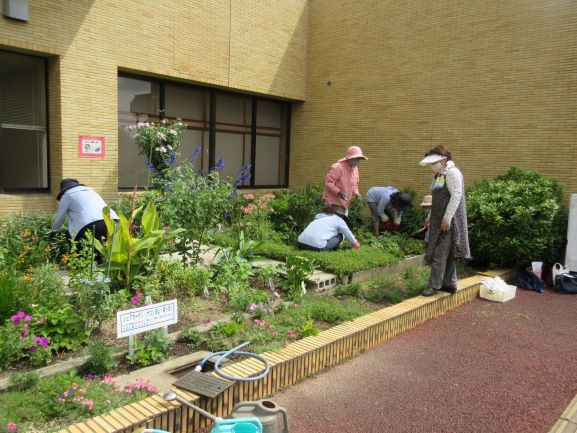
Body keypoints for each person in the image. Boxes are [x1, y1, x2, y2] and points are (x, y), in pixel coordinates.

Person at [418, 145, 471, 296]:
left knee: (439, 254)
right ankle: (449, 284)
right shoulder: (441, 174)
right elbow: (437, 200)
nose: (431, 165)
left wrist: (447, 218)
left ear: (444, 159)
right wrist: (430, 217)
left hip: (449, 222)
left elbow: (456, 195)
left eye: (433, 162)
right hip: (439, 220)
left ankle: (434, 286)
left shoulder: (452, 173)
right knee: (447, 255)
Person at [52, 178, 118, 252]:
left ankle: (78, 259)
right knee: (110, 250)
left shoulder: (67, 195)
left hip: (89, 224)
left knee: (77, 245)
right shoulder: (91, 191)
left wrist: (55, 230)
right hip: (111, 220)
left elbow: (60, 218)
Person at [323, 146, 368, 216]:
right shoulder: (338, 167)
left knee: (342, 222)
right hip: (333, 202)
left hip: (345, 203)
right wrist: (338, 192)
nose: (358, 161)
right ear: (350, 158)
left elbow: (355, 184)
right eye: (356, 158)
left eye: (359, 159)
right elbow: (329, 183)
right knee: (336, 223)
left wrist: (356, 193)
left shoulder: (355, 169)